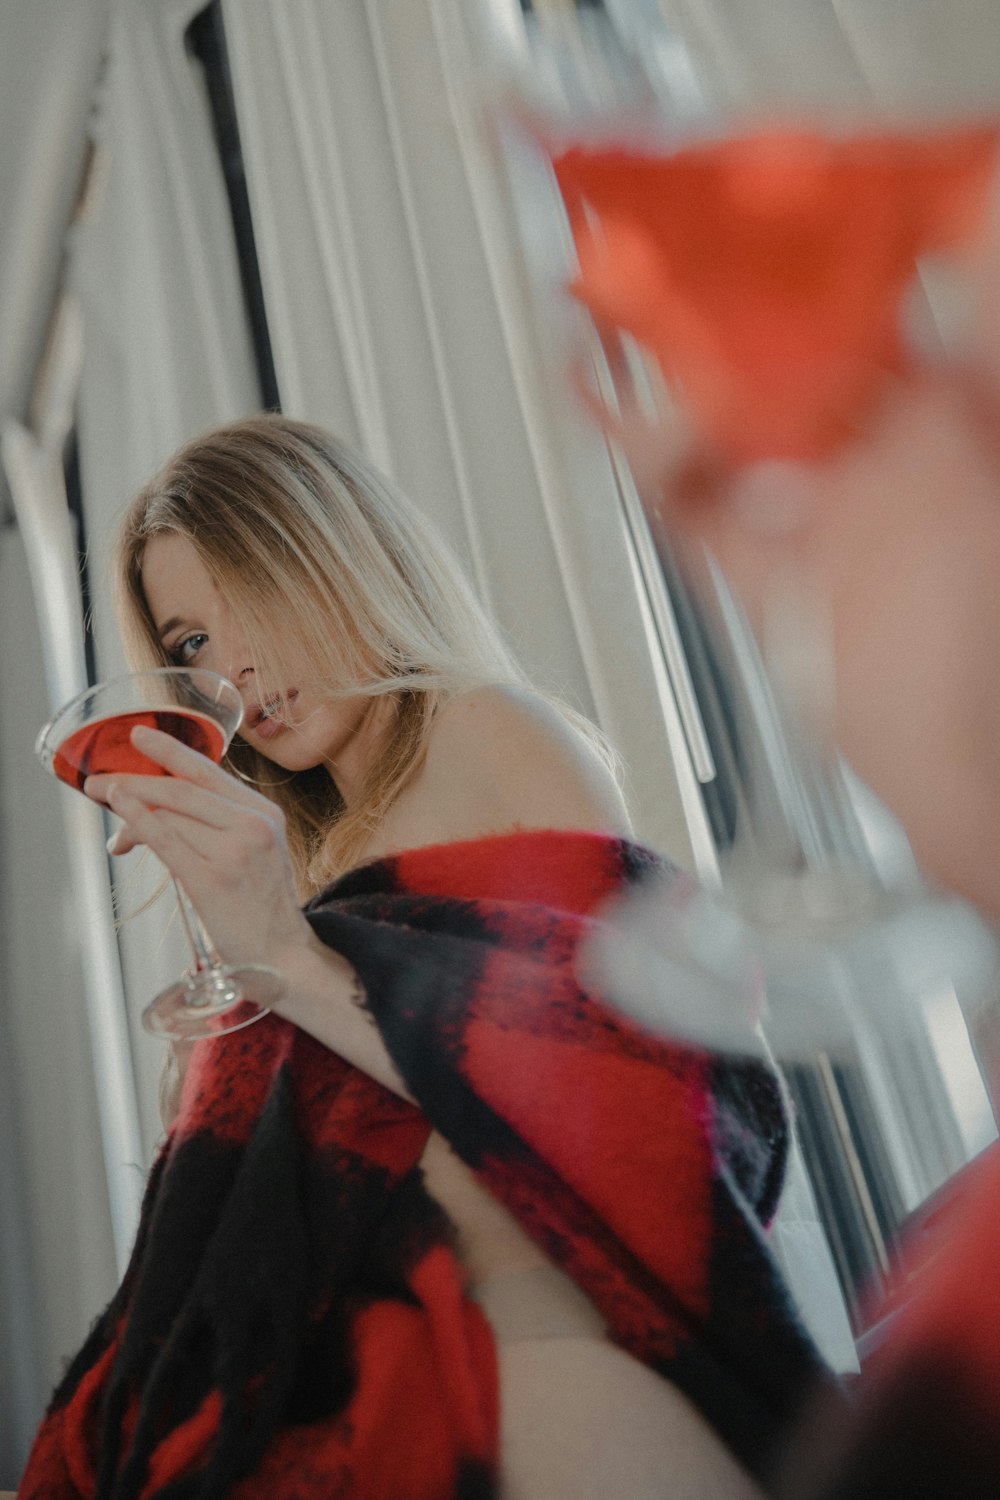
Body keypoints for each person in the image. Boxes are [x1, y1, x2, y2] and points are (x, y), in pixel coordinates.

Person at [17, 414, 824, 1500]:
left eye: (251, 595)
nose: (235, 668)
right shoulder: (295, 862)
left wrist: (281, 956)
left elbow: (616, 1087)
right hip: (332, 1384)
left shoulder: (492, 732)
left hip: (525, 1366)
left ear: (340, 555)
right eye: (193, 642)